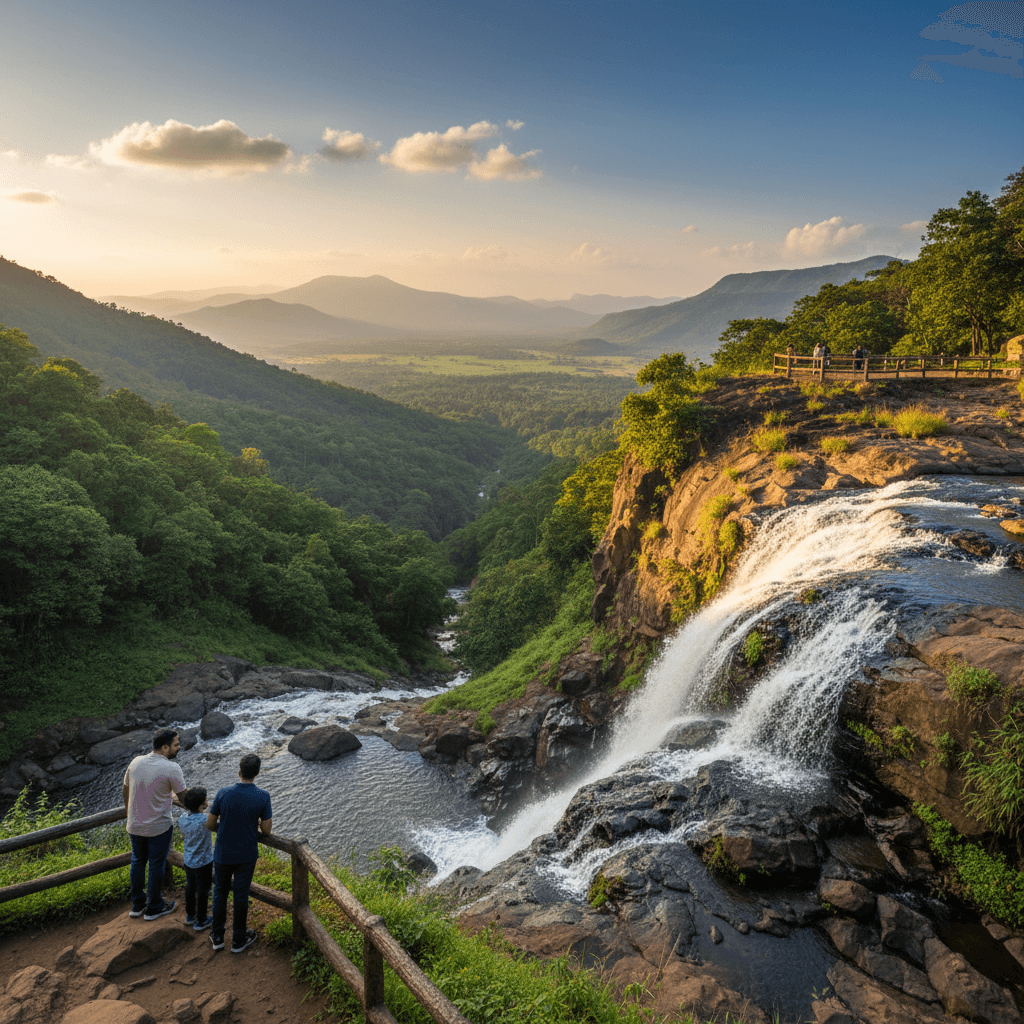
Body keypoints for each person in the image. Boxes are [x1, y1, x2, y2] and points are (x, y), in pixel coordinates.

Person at [207, 753, 272, 953]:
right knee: (241, 895)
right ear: (257, 773)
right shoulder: (263, 796)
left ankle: (217, 936)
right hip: (247, 853)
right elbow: (267, 830)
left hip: (223, 852)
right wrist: (256, 821)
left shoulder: (223, 793)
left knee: (219, 892)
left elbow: (210, 824)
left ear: (239, 771)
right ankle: (238, 939)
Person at [123, 728, 185, 920]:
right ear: (165, 747)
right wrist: (202, 803)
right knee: (156, 864)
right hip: (158, 826)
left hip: (134, 824)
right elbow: (184, 798)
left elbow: (125, 789)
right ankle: (155, 906)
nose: (179, 747)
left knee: (138, 861)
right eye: (176, 744)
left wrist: (129, 813)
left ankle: (138, 905)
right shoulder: (171, 768)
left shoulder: (136, 762)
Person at [177, 786, 214, 931]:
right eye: (205, 799)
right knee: (203, 890)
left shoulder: (182, 819)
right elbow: (214, 820)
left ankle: (190, 915)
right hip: (204, 862)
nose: (207, 801)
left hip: (189, 860)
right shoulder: (205, 820)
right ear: (202, 804)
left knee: (190, 887)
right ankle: (202, 920)